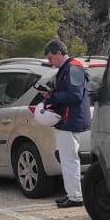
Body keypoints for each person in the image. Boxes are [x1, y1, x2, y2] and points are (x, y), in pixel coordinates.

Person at [42, 40, 91, 208]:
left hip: (70, 120)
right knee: (67, 159)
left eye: (50, 58)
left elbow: (75, 96)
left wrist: (52, 97)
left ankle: (75, 197)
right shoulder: (70, 68)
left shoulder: (74, 68)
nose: (49, 62)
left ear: (58, 53)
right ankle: (72, 193)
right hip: (68, 120)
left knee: (69, 159)